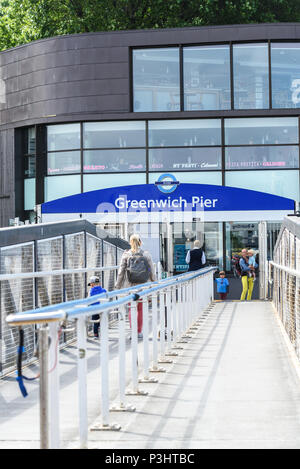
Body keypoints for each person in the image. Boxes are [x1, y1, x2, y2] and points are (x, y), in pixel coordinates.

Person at [115, 234, 156, 338]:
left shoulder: (126, 255)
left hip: (130, 285)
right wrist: (154, 282)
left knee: (131, 308)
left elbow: (121, 272)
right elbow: (152, 270)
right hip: (143, 285)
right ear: (140, 242)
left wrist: (117, 286)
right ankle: (139, 331)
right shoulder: (146, 255)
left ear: (130, 242)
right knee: (140, 309)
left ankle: (133, 332)